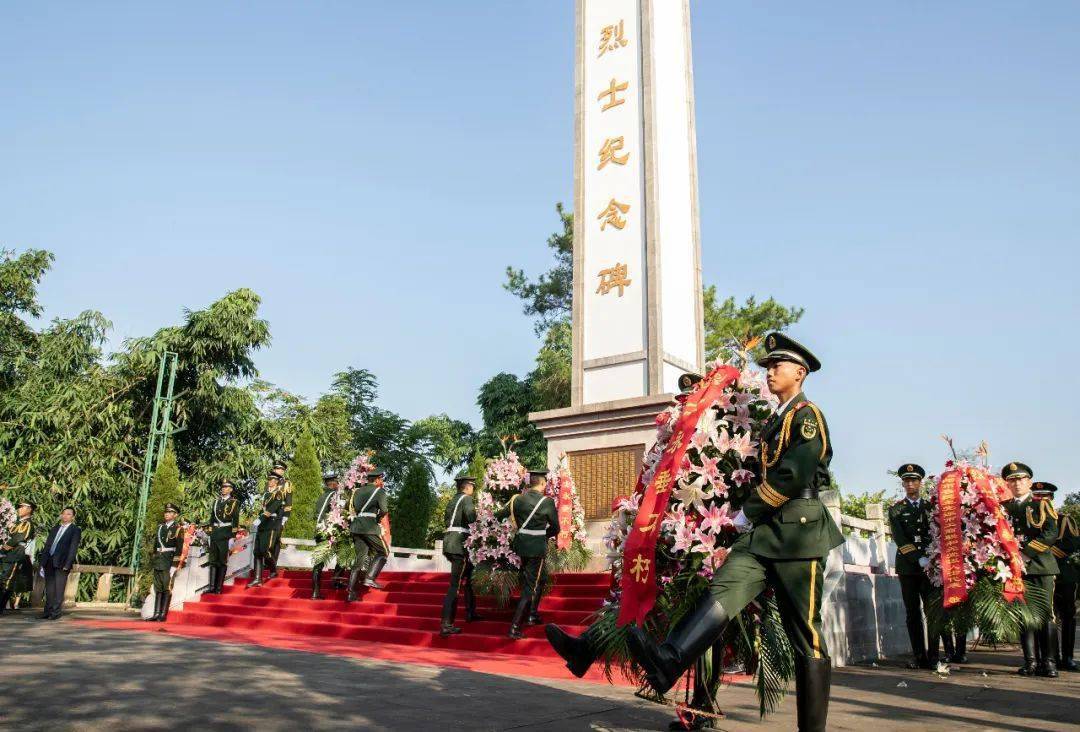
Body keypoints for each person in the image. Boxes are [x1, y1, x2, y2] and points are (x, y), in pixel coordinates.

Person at [626, 333, 842, 732]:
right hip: (765, 534)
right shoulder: (777, 417)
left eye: (778, 365)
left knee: (805, 634)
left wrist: (750, 510)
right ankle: (667, 661)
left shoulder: (807, 415)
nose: (771, 371)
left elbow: (797, 470)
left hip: (799, 532)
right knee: (724, 589)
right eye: (769, 365)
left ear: (800, 372)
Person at [888, 463, 952, 669]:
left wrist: (932, 559)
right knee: (912, 613)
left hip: (931, 568)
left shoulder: (931, 508)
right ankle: (918, 656)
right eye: (907, 481)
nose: (910, 484)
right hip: (908, 568)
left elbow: (940, 534)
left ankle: (934, 656)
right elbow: (900, 538)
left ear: (920, 482)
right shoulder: (896, 509)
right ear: (903, 484)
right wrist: (918, 558)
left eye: (914, 480)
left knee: (933, 611)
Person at [1002, 463, 1058, 677]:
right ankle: (1030, 662)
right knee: (1024, 616)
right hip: (1016, 571)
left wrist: (1026, 554)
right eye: (1012, 480)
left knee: (1046, 615)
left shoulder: (1041, 504)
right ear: (1007, 483)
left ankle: (1049, 662)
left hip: (1040, 567)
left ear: (1029, 482)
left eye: (1021, 479)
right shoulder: (1003, 508)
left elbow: (1051, 533)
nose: (1017, 483)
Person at [496, 469, 560, 640]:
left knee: (539, 579)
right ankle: (515, 626)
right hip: (536, 548)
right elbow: (556, 528)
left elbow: (499, 515)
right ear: (542, 483)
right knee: (529, 587)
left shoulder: (517, 500)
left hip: (522, 547)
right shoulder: (546, 502)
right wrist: (543, 535)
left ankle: (532, 614)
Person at [440, 475, 481, 637]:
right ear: (468, 487)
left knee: (469, 577)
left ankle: (471, 612)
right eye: (473, 487)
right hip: (459, 545)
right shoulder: (467, 499)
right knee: (454, 585)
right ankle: (446, 624)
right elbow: (472, 519)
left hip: (450, 542)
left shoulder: (452, 501)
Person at [347, 469, 389, 601]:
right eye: (380, 479)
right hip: (369, 526)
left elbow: (353, 507)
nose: (381, 481)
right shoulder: (379, 491)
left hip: (356, 526)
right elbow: (384, 510)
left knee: (359, 560)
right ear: (377, 480)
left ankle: (351, 593)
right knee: (383, 552)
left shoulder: (357, 491)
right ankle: (370, 578)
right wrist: (377, 519)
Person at [1049, 485, 1079, 672]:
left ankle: (1067, 657)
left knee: (1067, 617)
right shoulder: (1032, 520)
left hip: (1063, 575)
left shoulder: (1063, 520)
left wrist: (1044, 550)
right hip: (1042, 576)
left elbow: (1073, 542)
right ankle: (1051, 656)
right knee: (1047, 619)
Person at [40, 507, 81, 620]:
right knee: (49, 589)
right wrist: (43, 562)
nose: (65, 516)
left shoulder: (75, 530)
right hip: (49, 561)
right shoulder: (55, 528)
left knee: (59, 589)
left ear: (72, 517)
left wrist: (68, 564)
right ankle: (46, 612)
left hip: (62, 563)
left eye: (68, 514)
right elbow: (47, 545)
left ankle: (56, 613)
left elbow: (73, 548)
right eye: (63, 513)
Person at [146, 503, 185, 622]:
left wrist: (174, 565)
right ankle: (156, 613)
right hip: (159, 559)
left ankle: (163, 613)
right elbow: (155, 546)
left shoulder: (178, 529)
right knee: (158, 587)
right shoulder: (160, 527)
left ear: (175, 515)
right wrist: (154, 558)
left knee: (166, 587)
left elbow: (179, 549)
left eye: (169, 512)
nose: (166, 514)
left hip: (168, 560)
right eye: (166, 512)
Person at [248, 473, 286, 589]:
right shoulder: (266, 494)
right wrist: (259, 518)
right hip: (263, 524)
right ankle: (257, 579)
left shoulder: (278, 494)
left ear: (277, 481)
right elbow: (263, 509)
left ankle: (273, 569)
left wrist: (260, 518)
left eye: (272, 480)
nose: (270, 481)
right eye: (269, 479)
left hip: (271, 524)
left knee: (266, 550)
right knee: (257, 551)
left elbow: (273, 508)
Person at [311, 470, 345, 600]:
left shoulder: (322, 496)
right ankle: (336, 581)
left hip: (319, 530)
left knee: (319, 561)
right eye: (337, 483)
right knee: (344, 552)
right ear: (334, 484)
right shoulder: (334, 496)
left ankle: (315, 592)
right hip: (330, 531)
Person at [203, 479, 240, 595]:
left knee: (222, 561)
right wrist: (209, 533)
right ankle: (212, 587)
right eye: (223, 487)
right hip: (215, 533)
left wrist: (232, 537)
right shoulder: (216, 502)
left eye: (226, 487)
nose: (223, 488)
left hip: (225, 534)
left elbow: (235, 520)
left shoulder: (234, 502)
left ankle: (218, 588)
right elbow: (212, 519)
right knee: (213, 561)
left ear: (231, 489)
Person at [0, 500, 35, 615]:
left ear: (29, 509)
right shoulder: (19, 523)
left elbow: (18, 538)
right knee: (8, 581)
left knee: (7, 580)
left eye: (22, 507)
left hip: (16, 554)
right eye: (19, 507)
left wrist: (4, 548)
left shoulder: (27, 523)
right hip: (12, 555)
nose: (19, 509)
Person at [270, 462, 294, 571]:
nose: (277, 471)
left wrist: (285, 517)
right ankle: (267, 562)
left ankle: (273, 562)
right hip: (268, 515)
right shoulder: (270, 482)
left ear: (283, 471)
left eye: (279, 469)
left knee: (275, 539)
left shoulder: (286, 483)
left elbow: (288, 501)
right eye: (276, 468)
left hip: (280, 515)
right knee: (267, 538)